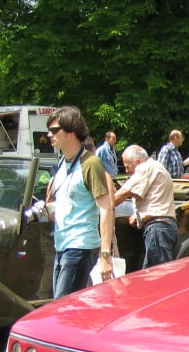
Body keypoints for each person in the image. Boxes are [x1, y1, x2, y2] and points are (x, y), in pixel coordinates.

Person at [46, 106, 115, 297]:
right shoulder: (62, 162)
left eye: (54, 130)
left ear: (71, 131)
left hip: (80, 246)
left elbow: (106, 209)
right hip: (61, 245)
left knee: (62, 310)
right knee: (62, 309)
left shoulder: (90, 163)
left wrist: (105, 256)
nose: (49, 134)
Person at [116, 144, 178, 268]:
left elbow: (125, 191)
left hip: (157, 229)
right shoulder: (157, 168)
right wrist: (138, 215)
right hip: (164, 227)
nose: (127, 171)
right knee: (151, 275)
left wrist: (105, 204)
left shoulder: (145, 167)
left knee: (157, 277)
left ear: (138, 162)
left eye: (127, 166)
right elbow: (154, 197)